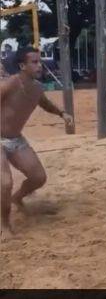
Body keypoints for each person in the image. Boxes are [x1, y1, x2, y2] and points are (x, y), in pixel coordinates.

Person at [1, 47, 74, 239]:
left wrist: (62, 113)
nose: (39, 65)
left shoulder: (36, 87)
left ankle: (17, 198)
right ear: (22, 65)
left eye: (39, 61)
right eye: (34, 62)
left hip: (16, 139)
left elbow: (44, 103)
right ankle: (4, 226)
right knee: (5, 182)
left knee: (38, 177)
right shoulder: (9, 85)